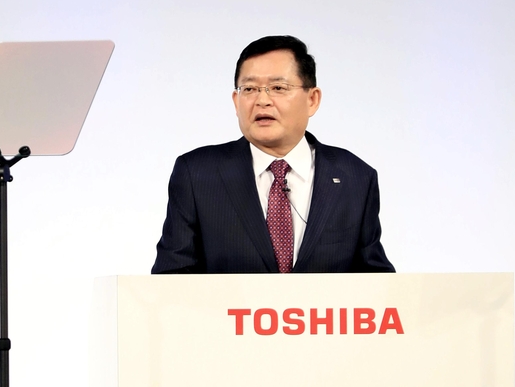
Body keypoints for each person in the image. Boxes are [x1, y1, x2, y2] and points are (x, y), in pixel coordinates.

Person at [151, 35, 394, 274]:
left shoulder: (355, 177)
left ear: (312, 99)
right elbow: (170, 279)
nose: (262, 100)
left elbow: (377, 284)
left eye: (278, 88)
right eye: (249, 89)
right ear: (236, 101)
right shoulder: (197, 174)